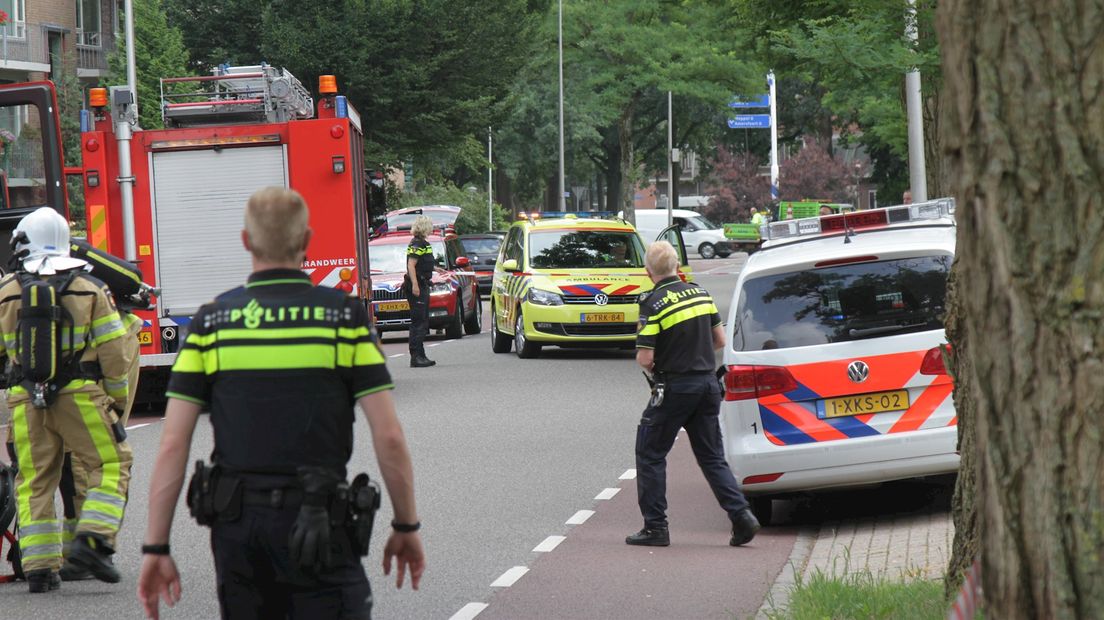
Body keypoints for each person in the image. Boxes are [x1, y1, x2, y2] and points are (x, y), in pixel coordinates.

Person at [137, 187, 425, 620]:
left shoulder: (212, 322)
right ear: (306, 240)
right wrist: (405, 525)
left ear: (245, 241)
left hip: (239, 531)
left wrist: (156, 546)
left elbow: (173, 444)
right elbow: (388, 435)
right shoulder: (343, 318)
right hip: (321, 521)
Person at [0, 207, 134, 592]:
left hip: (25, 400)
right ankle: (93, 540)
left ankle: (40, 568)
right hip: (81, 397)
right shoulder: (90, 288)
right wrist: (115, 400)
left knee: (34, 480)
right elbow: (115, 354)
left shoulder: (6, 291)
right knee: (111, 463)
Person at [626, 241, 759, 548]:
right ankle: (742, 517)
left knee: (650, 453)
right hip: (708, 386)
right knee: (712, 457)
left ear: (649, 272)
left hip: (675, 388)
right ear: (677, 268)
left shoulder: (653, 302)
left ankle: (655, 527)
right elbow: (719, 339)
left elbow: (645, 358)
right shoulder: (700, 293)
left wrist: (666, 359)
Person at [405, 215, 436, 368]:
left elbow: (423, 262)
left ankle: (421, 355)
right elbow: (411, 265)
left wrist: (435, 268)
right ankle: (415, 357)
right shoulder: (417, 244)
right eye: (430, 225)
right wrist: (415, 285)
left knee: (423, 321)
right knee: (418, 322)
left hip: (423, 284)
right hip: (417, 285)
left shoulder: (423, 243)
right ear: (424, 227)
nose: (431, 228)